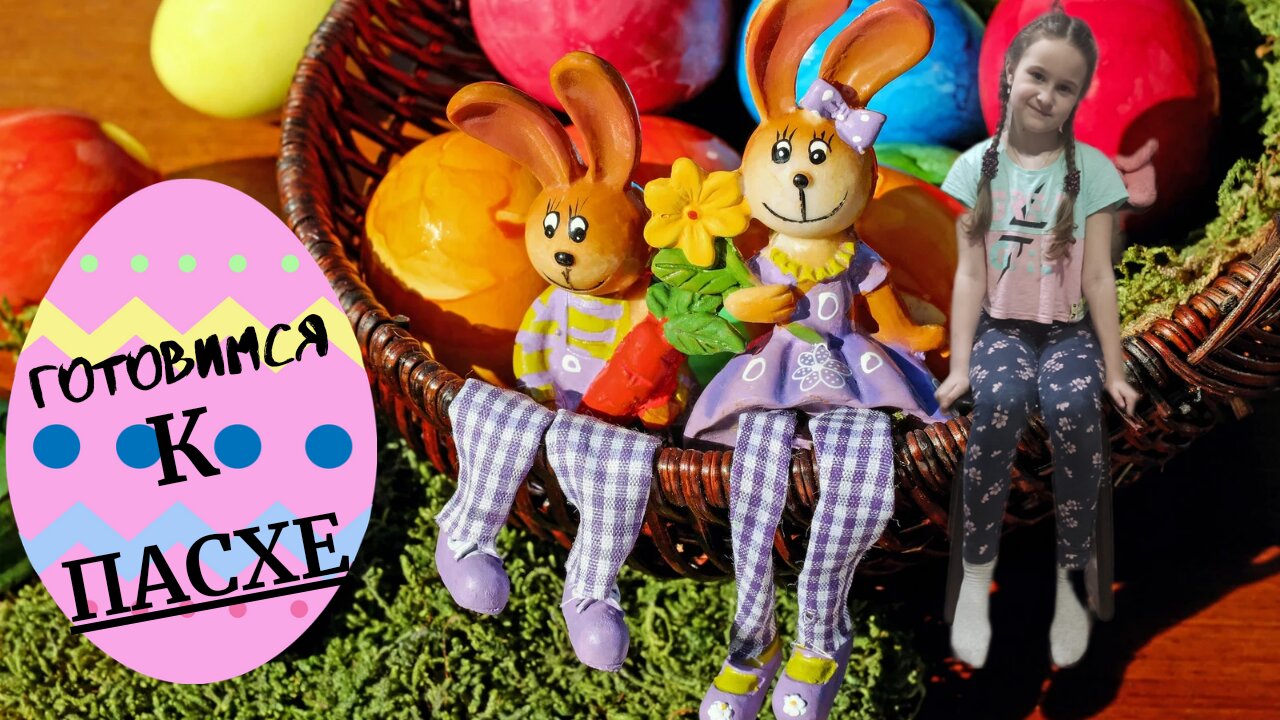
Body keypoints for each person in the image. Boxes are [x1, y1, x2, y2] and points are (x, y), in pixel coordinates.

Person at [935, 2, 1141, 670]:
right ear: (1009, 76)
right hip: (999, 329)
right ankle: (974, 583)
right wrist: (958, 363)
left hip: (1069, 330)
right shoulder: (974, 169)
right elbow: (967, 275)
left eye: (1065, 86)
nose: (1047, 95)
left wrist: (1116, 367)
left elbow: (1101, 278)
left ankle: (1069, 585)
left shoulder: (1096, 174)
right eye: (1036, 76)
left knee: (1078, 419)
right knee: (994, 419)